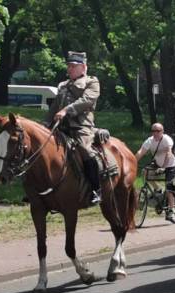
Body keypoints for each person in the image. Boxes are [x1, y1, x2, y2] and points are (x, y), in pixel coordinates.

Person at [45, 51, 104, 205]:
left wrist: (66, 110)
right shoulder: (63, 85)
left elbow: (86, 100)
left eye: (73, 66)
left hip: (81, 126)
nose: (69, 69)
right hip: (61, 127)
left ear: (83, 67)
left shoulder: (92, 82)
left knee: (85, 150)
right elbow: (54, 107)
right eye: (69, 66)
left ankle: (96, 189)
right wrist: (45, 124)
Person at [135, 123, 175, 222]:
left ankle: (172, 210)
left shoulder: (167, 140)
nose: (155, 133)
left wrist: (164, 167)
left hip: (170, 164)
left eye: (158, 131)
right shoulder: (149, 141)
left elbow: (168, 153)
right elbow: (141, 152)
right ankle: (158, 189)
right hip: (158, 163)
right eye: (153, 131)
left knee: (169, 188)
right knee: (145, 172)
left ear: (162, 131)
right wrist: (132, 162)